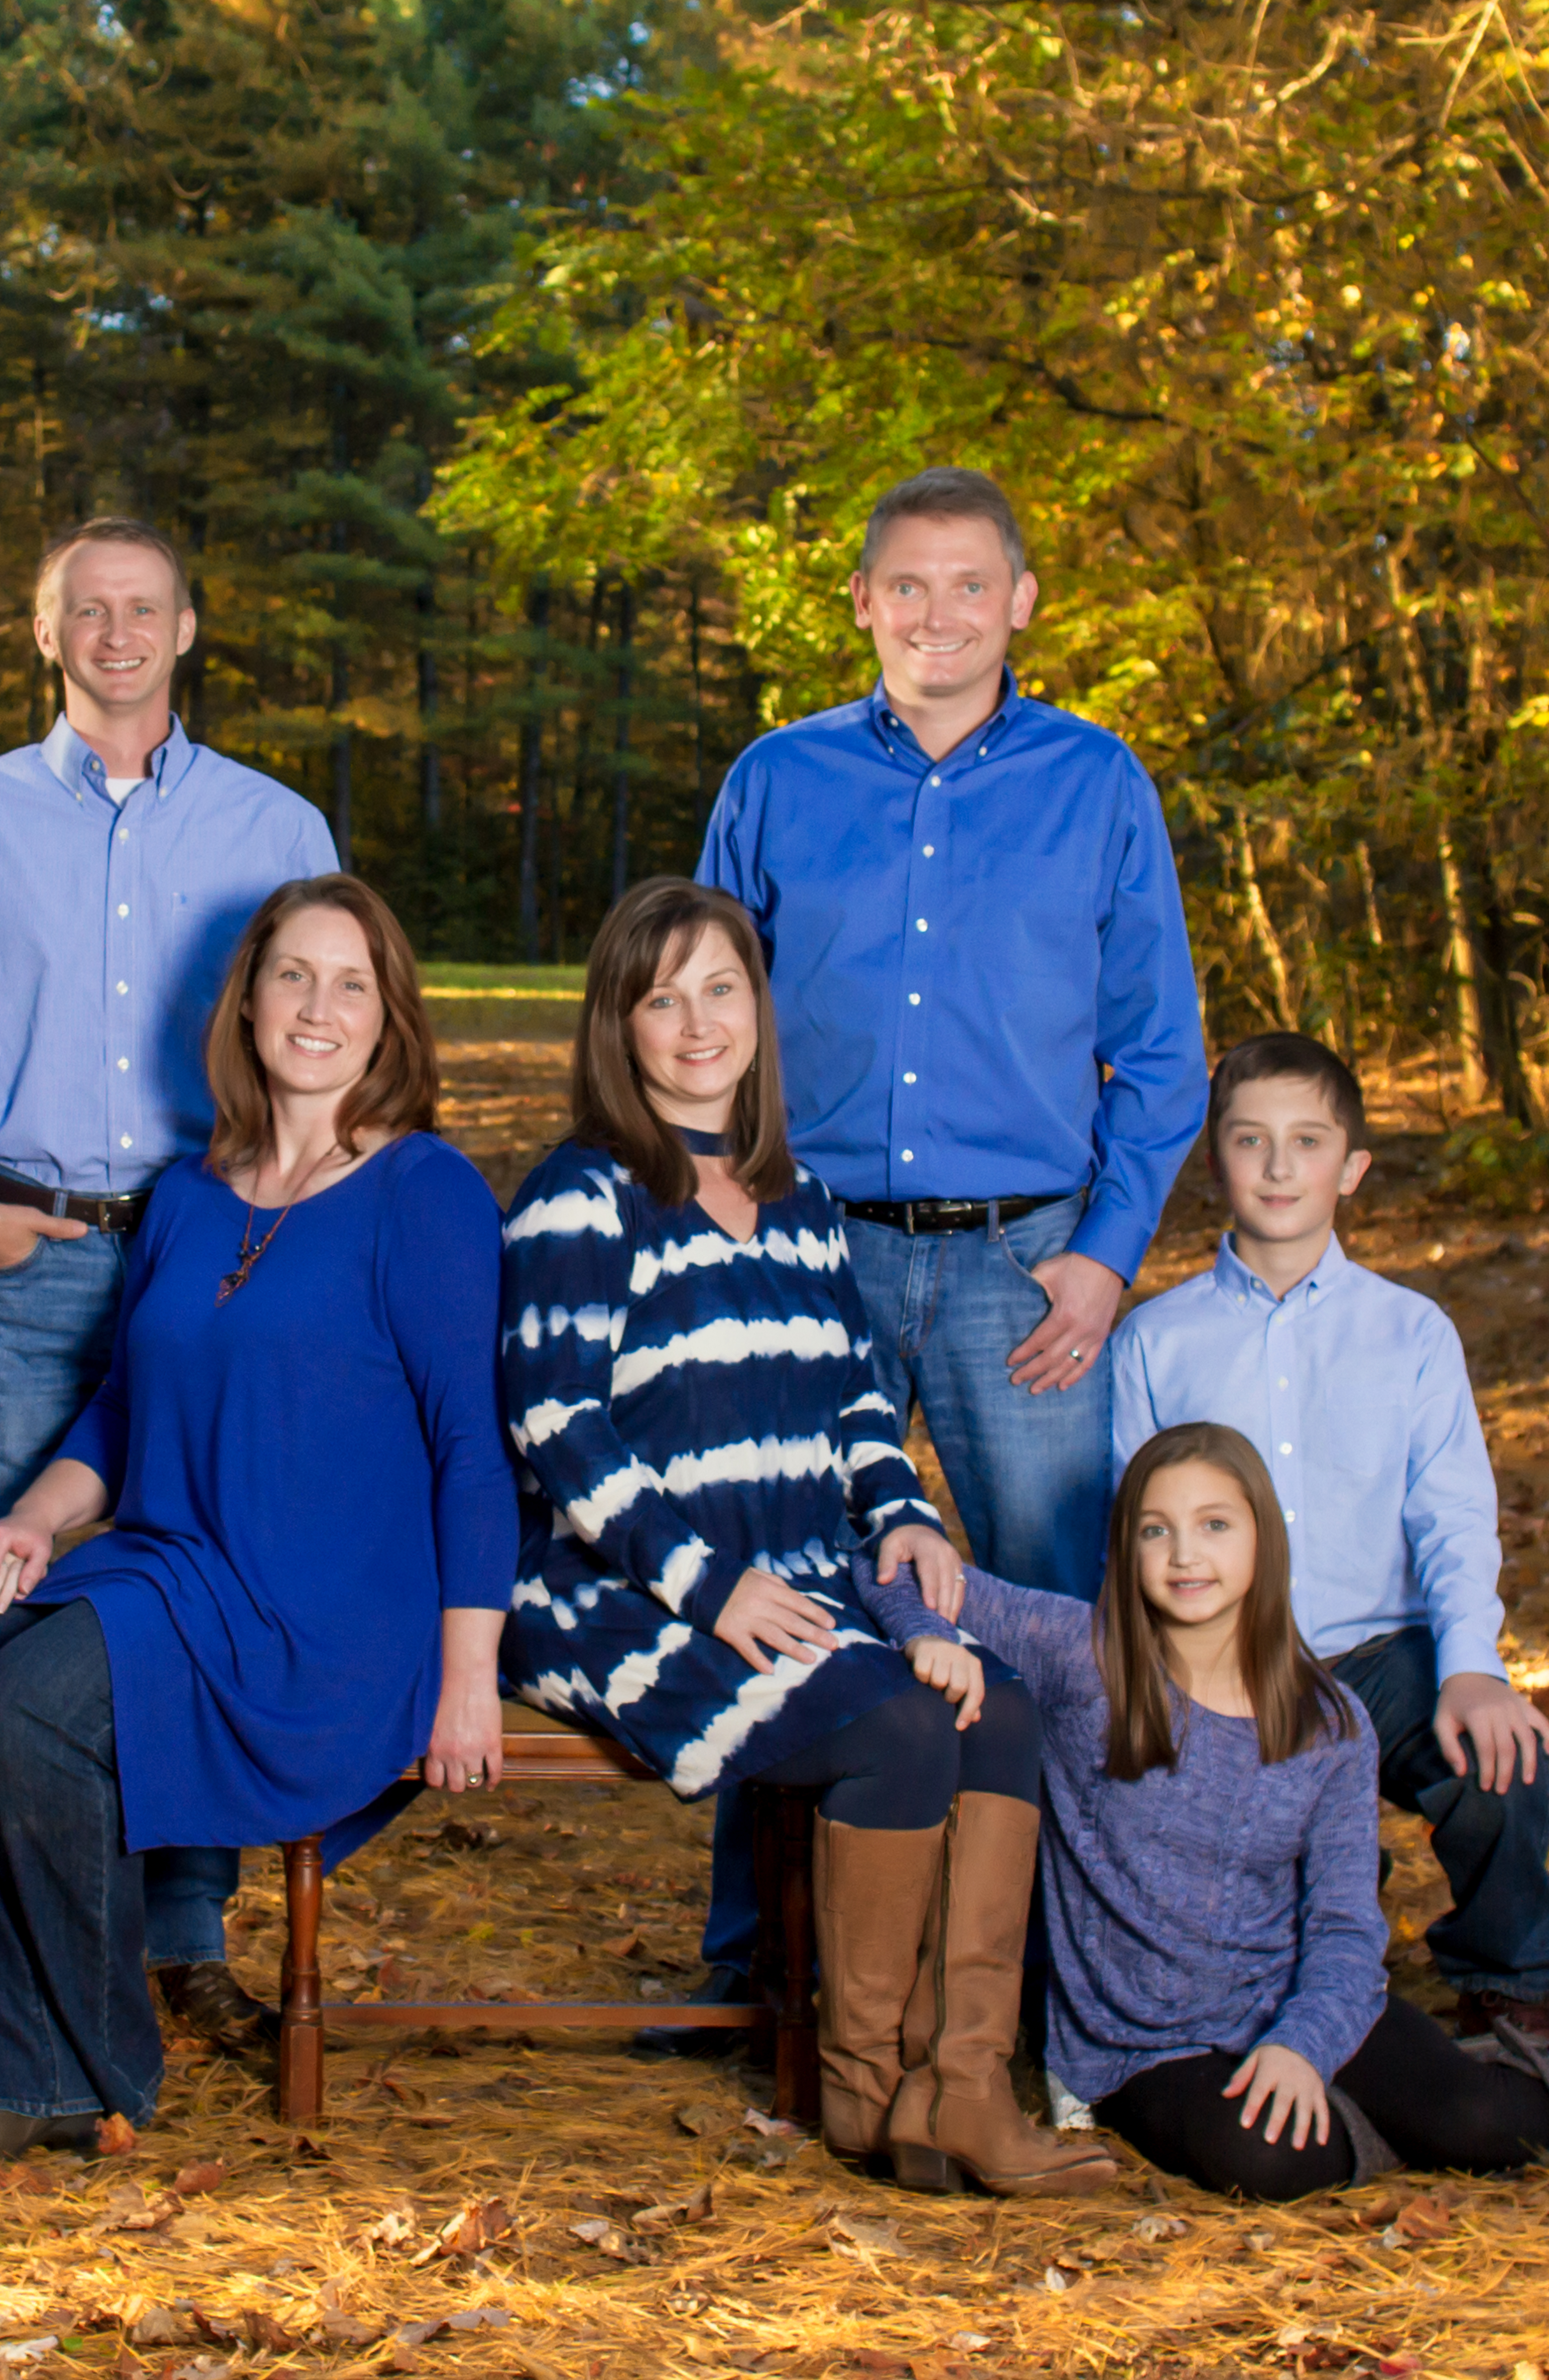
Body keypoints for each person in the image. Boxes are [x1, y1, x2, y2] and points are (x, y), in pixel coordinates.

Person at [671, 463, 1206, 2043]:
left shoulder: (1098, 785)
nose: (938, 614)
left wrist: (1107, 1256)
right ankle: (759, 1958)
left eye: (971, 584)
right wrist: (711, 1197)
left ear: (1023, 603)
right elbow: (698, 1007)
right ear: (861, 605)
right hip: (808, 1245)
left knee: (1048, 1597)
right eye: (907, 585)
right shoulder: (779, 779)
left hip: (1022, 1267)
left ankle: (1061, 1976)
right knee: (786, 1581)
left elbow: (1162, 1056)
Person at [0, 875, 511, 2162]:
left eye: (353, 983)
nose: (320, 1007)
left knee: (30, 1708)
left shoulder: (427, 1192)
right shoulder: (189, 1194)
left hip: (321, 1608)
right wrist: (32, 1523)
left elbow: (470, 1445)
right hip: (175, 1565)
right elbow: (122, 1409)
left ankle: (90, 2072)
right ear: (249, 1000)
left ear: (391, 1018)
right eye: (294, 975)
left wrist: (469, 1675)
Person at [500, 879, 1102, 2197]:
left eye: (720, 989)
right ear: (619, 1026)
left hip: (798, 1567)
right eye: (660, 998)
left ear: (759, 1015)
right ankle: (863, 2084)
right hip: (630, 1589)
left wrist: (903, 1520)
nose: (696, 1022)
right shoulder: (582, 1197)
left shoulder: (800, 1200)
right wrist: (711, 1590)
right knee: (895, 1729)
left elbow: (855, 1401)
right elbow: (557, 1428)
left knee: (999, 1715)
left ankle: (961, 2093)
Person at [860, 1423, 1549, 2200]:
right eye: (1156, 1529)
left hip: (1296, 1998)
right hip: (1146, 2043)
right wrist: (922, 1637)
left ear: (1262, 1540)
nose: (1185, 1554)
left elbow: (1344, 1927)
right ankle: (1375, 2114)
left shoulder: (1327, 1719)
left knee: (1482, 2129)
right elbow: (898, 1572)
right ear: (1127, 1546)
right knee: (1269, 2166)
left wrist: (1302, 2046)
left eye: (1216, 1525)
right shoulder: (1088, 1657)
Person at [0, 515, 336, 2051]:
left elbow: (336, 1037)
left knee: (206, 1579)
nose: (119, 635)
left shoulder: (277, 829)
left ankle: (185, 1938)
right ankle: (24, 1951)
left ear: (189, 628)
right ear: (46, 636)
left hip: (217, 1256)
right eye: (87, 613)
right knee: (2, 1586)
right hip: (25, 1249)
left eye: (146, 610)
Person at [1107, 1033, 1549, 2036]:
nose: (1279, 1168)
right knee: (1269, 1869)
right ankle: (1305, 1972)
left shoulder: (1412, 1334)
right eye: (1251, 1141)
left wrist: (1472, 1667)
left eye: (1308, 1142)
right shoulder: (1157, 1341)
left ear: (1352, 1168)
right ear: (1215, 1160)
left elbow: (1451, 1514)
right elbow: (1134, 1529)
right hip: (1231, 1669)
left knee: (1502, 1765)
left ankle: (1512, 1993)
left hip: (1384, 1654)